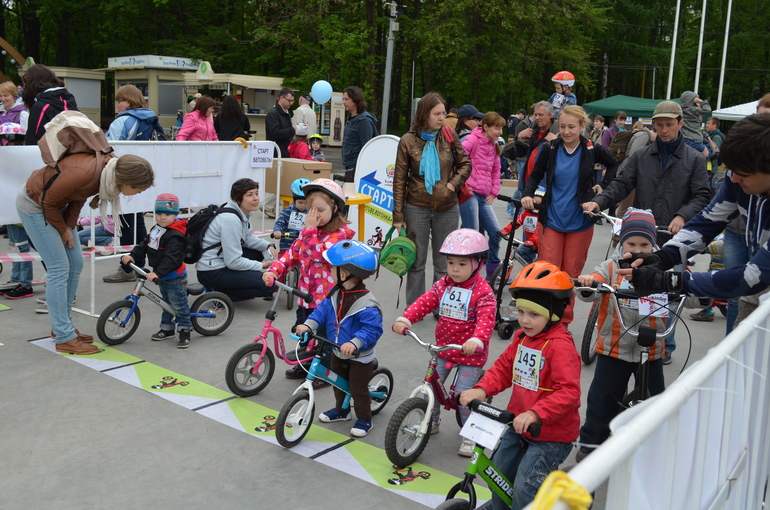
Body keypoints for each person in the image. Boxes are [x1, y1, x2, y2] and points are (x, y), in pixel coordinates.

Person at [583, 100, 712, 363]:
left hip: (674, 240)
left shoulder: (694, 160)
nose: (664, 130)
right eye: (659, 125)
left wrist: (682, 215)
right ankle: (624, 338)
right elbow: (621, 184)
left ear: (680, 124)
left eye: (669, 124)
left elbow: (702, 195)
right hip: (641, 236)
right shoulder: (642, 156)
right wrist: (599, 201)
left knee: (669, 291)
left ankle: (665, 343)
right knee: (630, 285)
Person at [621, 113, 770, 327]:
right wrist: (664, 257)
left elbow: (753, 276)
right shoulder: (737, 178)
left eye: (743, 174)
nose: (734, 179)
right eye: (731, 171)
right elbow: (707, 222)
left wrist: (669, 281)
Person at [459, 261, 580, 510]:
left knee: (526, 488)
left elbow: (569, 392)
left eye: (533, 314)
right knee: (497, 475)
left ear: (553, 314)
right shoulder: (523, 338)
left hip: (550, 436)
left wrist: (536, 414)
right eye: (521, 312)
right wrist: (482, 389)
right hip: (518, 424)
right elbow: (504, 369)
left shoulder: (560, 346)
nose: (524, 320)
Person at [17, 153, 154, 355]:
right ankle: (64, 336)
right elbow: (47, 201)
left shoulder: (105, 175)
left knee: (76, 262)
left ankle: (63, 328)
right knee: (59, 267)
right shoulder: (87, 173)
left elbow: (77, 198)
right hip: (35, 206)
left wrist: (69, 226)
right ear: (126, 181)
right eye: (138, 189)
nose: (139, 193)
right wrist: (64, 230)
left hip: (56, 207)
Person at [392, 228, 496, 456]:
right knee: (430, 385)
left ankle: (471, 433)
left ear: (478, 264)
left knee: (463, 396)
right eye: (451, 263)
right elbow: (425, 301)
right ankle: (433, 420)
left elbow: (486, 320)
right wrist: (406, 317)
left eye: (462, 264)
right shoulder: (443, 285)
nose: (455, 270)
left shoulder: (483, 292)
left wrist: (477, 340)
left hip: (469, 353)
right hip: (444, 350)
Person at [574, 209, 667, 462]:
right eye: (631, 243)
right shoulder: (611, 267)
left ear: (653, 243)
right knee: (602, 399)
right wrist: (589, 283)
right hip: (613, 347)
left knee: (655, 399)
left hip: (652, 350)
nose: (638, 249)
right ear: (621, 242)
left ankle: (652, 443)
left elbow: (683, 288)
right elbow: (594, 283)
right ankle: (591, 443)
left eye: (645, 244)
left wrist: (694, 290)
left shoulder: (661, 268)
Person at [521, 105, 619, 326]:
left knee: (569, 275)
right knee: (548, 272)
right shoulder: (551, 148)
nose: (566, 131)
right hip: (552, 220)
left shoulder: (591, 149)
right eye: (563, 126)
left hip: (580, 223)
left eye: (571, 127)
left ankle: (563, 323)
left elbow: (614, 164)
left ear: (582, 126)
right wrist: (528, 195)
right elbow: (535, 175)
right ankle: (545, 319)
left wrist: (602, 187)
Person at [263, 178, 355, 387]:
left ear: (335, 208)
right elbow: (291, 255)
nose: (314, 215)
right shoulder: (307, 233)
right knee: (302, 332)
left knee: (323, 338)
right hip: (305, 297)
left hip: (328, 301)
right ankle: (305, 364)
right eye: (311, 210)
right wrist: (273, 271)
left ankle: (324, 372)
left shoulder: (339, 236)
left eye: (320, 210)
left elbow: (318, 255)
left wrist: (310, 230)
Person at [392, 91, 471, 307]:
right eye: (436, 113)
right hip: (416, 206)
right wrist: (398, 215)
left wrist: (453, 184)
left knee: (443, 261)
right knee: (416, 262)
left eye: (443, 113)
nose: (441, 118)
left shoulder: (448, 134)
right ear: (424, 114)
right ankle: (416, 307)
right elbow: (399, 180)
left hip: (447, 206)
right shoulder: (408, 140)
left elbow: (466, 163)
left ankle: (440, 305)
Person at [297, 240, 383, 437]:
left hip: (359, 355)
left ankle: (364, 419)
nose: (330, 272)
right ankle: (342, 411)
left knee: (358, 389)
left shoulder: (366, 303)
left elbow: (372, 330)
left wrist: (354, 343)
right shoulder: (336, 293)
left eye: (333, 269)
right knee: (337, 382)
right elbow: (322, 311)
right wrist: (309, 325)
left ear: (344, 274)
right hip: (337, 349)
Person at [119, 193, 193, 348]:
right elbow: (145, 244)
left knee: (179, 305)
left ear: (175, 214)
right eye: (159, 213)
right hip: (162, 276)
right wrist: (132, 255)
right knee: (165, 303)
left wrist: (158, 273)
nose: (162, 218)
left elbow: (171, 259)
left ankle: (185, 330)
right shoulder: (157, 229)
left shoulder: (175, 235)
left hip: (174, 276)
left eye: (167, 214)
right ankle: (167, 329)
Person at [195, 178, 277, 302]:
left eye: (256, 193)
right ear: (238, 199)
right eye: (249, 195)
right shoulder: (231, 220)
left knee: (259, 251)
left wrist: (268, 245)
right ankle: (218, 294)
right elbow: (233, 262)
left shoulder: (241, 212)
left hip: (221, 262)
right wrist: (263, 265)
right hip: (212, 271)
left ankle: (225, 288)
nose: (256, 198)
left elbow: (247, 238)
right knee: (269, 285)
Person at [460, 112, 505, 279]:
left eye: (501, 128)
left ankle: (492, 272)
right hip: (470, 194)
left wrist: (494, 192)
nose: (500, 132)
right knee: (472, 235)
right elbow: (458, 161)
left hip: (484, 196)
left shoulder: (494, 146)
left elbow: (495, 171)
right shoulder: (472, 140)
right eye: (497, 128)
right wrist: (464, 184)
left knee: (496, 234)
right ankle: (470, 275)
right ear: (486, 127)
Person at [22, 64, 78, 146]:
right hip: (75, 153)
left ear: (32, 83)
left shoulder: (41, 107)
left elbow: (33, 141)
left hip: (49, 156)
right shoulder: (68, 101)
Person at [511, 101, 558, 199]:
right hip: (528, 184)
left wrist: (556, 141)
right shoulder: (532, 131)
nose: (537, 118)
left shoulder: (558, 133)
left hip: (546, 188)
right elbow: (520, 154)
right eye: (535, 115)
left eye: (541, 115)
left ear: (551, 114)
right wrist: (518, 138)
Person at [264, 87, 296, 218]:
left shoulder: (285, 112)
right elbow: (274, 132)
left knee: (281, 179)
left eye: (293, 101)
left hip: (284, 149)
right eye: (289, 100)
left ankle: (272, 206)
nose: (291, 103)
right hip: (276, 151)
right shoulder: (273, 113)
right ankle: (267, 205)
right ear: (281, 98)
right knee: (276, 179)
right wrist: (292, 130)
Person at [341, 86, 378, 182]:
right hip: (349, 164)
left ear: (355, 100)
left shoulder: (364, 121)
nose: (343, 102)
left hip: (357, 166)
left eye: (346, 99)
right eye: (343, 99)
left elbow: (366, 147)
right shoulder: (350, 118)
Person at [271, 178, 310, 253]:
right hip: (286, 247)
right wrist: (277, 231)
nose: (303, 206)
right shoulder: (287, 211)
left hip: (304, 248)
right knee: (282, 263)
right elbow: (280, 223)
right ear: (294, 201)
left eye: (306, 203)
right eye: (300, 202)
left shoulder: (310, 213)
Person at [680, 90, 711, 158]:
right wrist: (701, 101)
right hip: (695, 138)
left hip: (685, 137)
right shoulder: (693, 110)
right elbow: (707, 109)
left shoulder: (680, 110)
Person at [0, 80, 29, 145]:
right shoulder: (1, 113)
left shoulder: (22, 114)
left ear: (14, 95)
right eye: (0, 96)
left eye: (6, 95)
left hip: (17, 150)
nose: (3, 99)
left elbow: (27, 136)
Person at [704, 116, 725, 185]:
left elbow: (715, 152)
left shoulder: (716, 137)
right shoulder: (710, 135)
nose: (706, 125)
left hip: (711, 168)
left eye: (708, 123)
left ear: (714, 125)